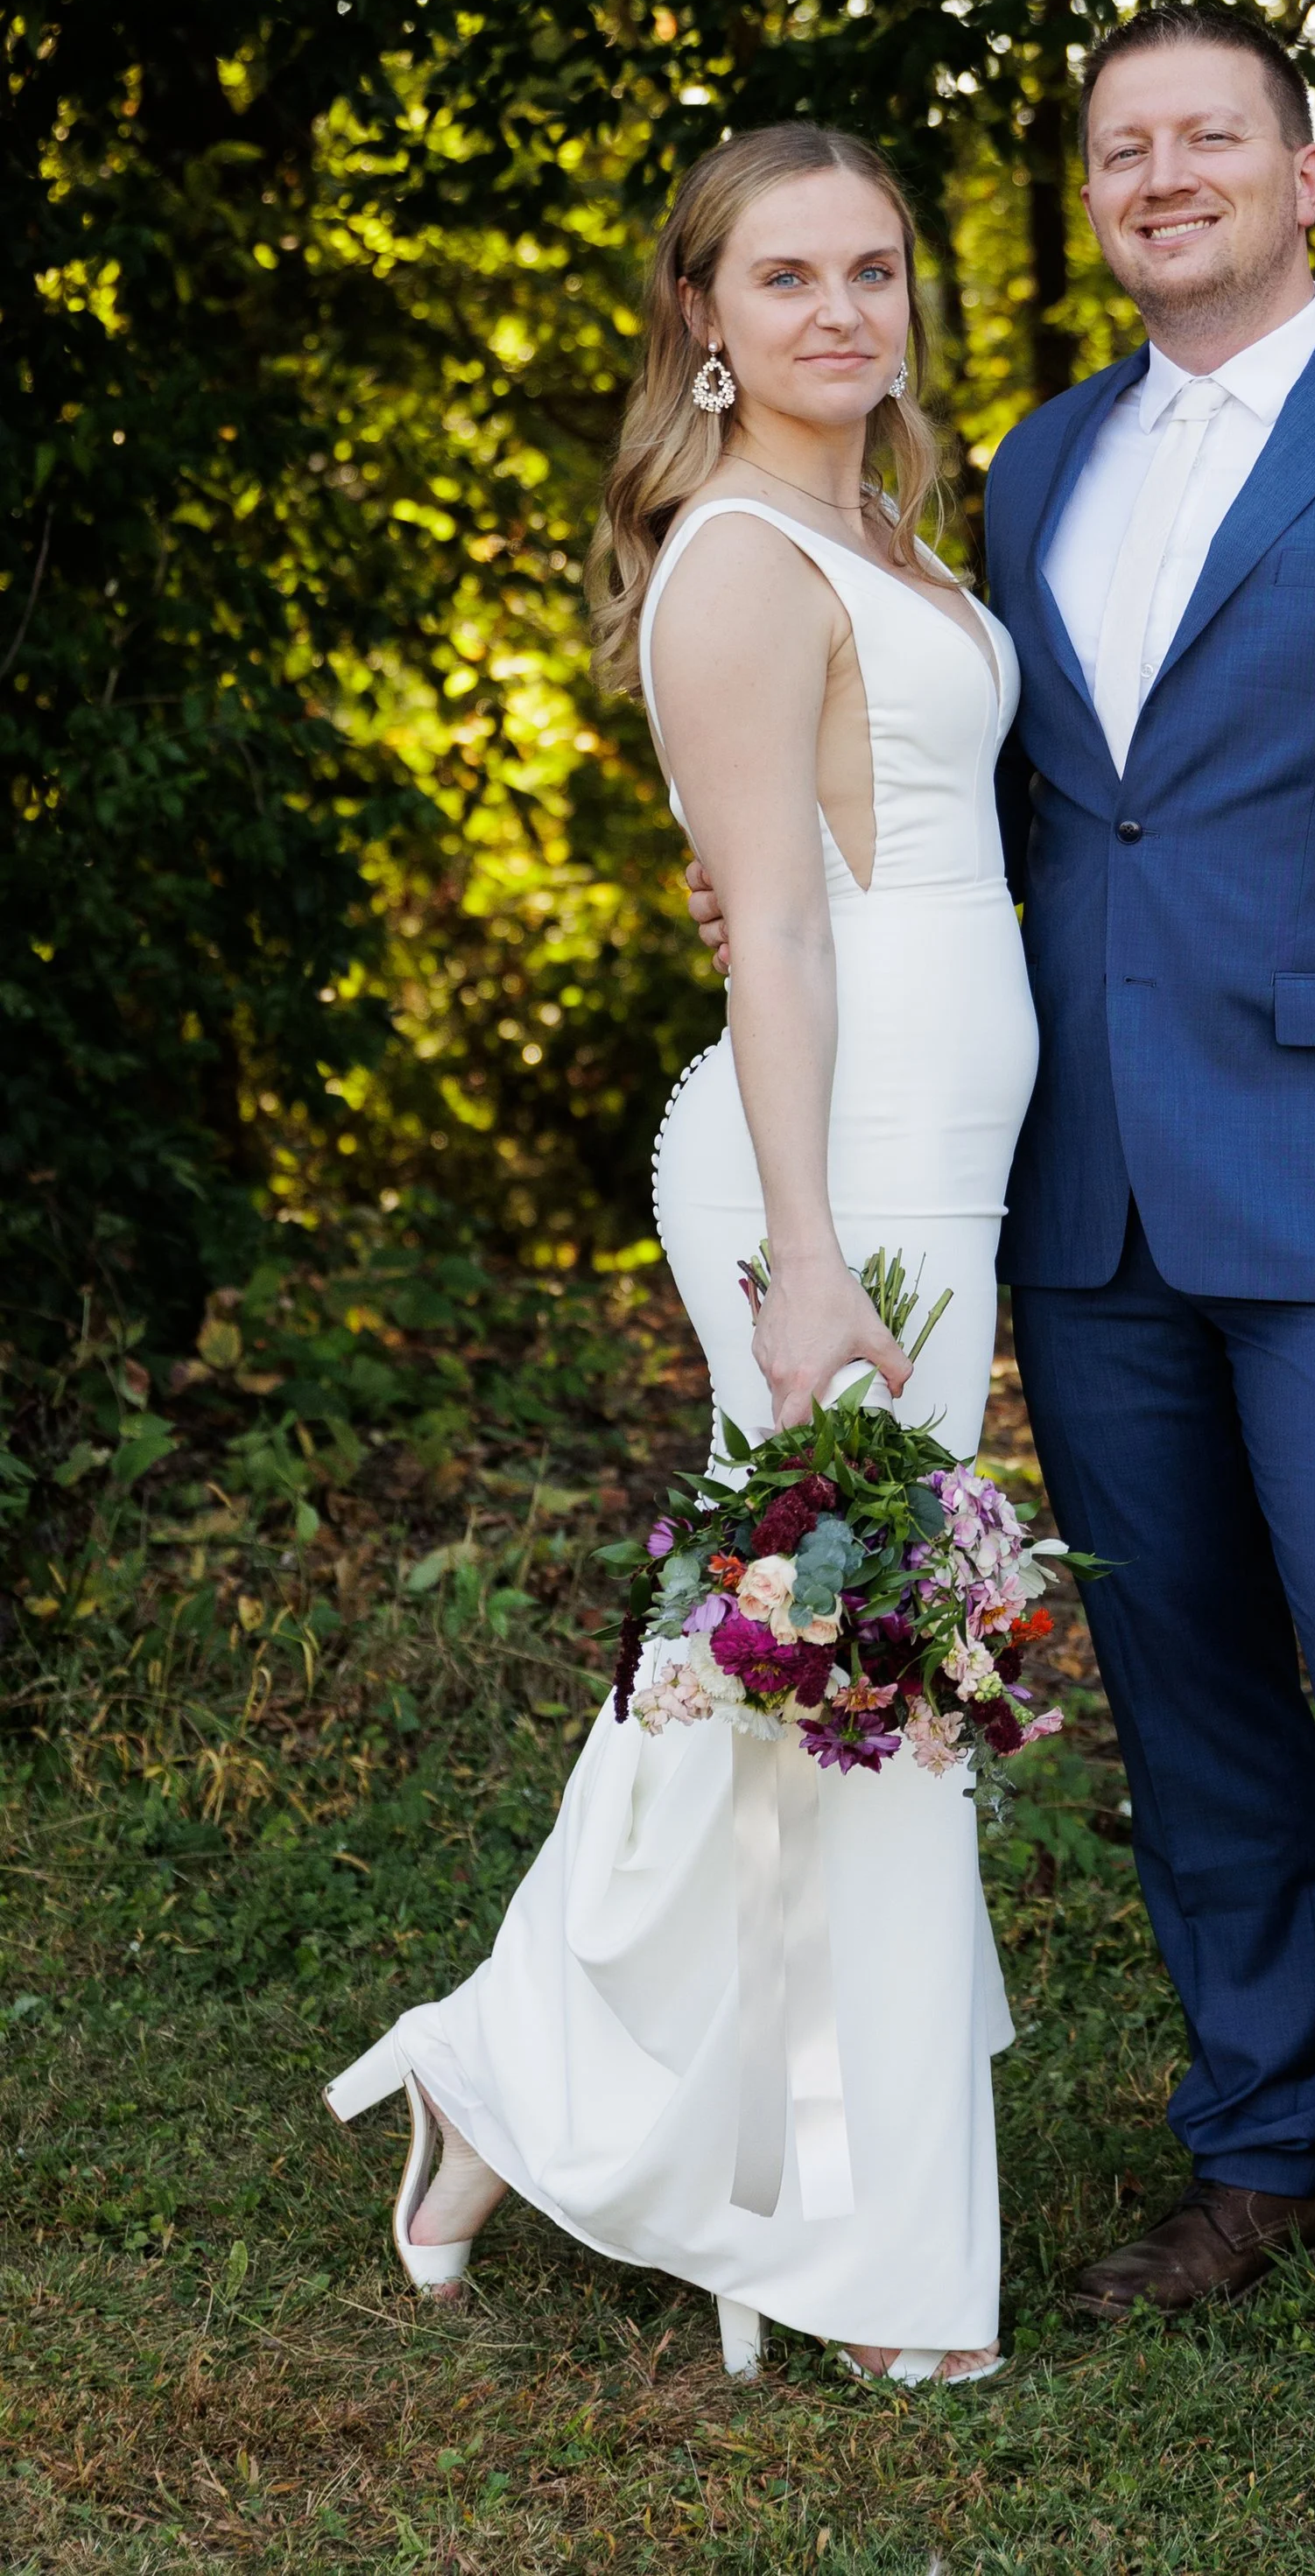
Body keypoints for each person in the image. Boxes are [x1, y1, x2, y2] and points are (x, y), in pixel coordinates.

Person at [693, 7, 1315, 2419]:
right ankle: (1259, 2137)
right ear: (1093, 196)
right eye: (1124, 146)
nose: (1165, 169)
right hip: (1086, 1192)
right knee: (1184, 1684)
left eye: (1212, 132)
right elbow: (981, 815)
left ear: (1310, 173)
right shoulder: (1032, 471)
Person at [326, 124, 1037, 2387]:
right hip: (839, 1173)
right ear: (702, 322)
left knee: (785, 1679)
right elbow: (786, 926)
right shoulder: (739, 557)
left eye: (875, 267)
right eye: (787, 276)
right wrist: (809, 1252)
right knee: (851, 1668)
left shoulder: (885, 526)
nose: (842, 308)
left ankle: (508, 2082)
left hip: (935, 1147)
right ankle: (862, 2247)